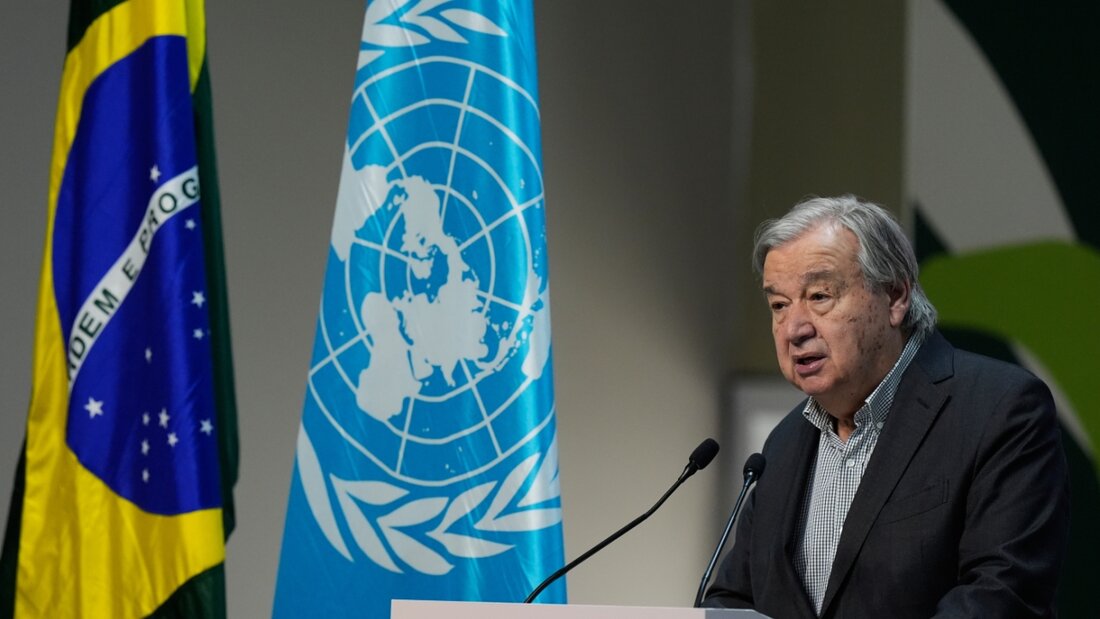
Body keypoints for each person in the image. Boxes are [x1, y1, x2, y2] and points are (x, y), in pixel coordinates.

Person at [703, 195, 1069, 618]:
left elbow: (1003, 596)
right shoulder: (781, 446)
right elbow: (732, 600)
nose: (794, 329)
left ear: (895, 297)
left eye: (819, 296)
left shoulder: (1000, 409)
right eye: (779, 306)